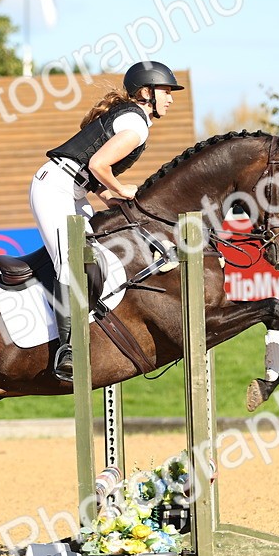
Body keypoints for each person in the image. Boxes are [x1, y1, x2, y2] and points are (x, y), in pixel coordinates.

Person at [29, 60, 183, 382]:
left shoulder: (132, 117)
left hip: (72, 191)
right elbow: (99, 164)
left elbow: (92, 171)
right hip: (54, 188)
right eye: (165, 91)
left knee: (96, 260)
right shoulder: (136, 124)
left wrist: (111, 198)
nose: (170, 98)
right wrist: (120, 187)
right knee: (73, 262)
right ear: (146, 92)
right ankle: (66, 350)